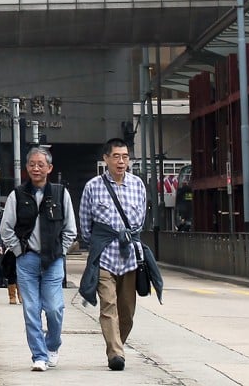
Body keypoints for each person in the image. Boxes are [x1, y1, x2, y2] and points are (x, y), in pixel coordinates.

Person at [0, 146, 77, 372]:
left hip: (53, 261)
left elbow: (70, 229)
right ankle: (39, 356)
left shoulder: (61, 194)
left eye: (40, 164)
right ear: (26, 168)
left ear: (49, 168)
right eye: (32, 164)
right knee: (31, 310)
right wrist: (18, 251)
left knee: (54, 308)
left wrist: (60, 250)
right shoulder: (17, 195)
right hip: (27, 260)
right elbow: (6, 229)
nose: (36, 168)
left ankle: (52, 345)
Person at [79, 138, 148, 372]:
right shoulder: (93, 186)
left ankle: (117, 344)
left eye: (125, 156)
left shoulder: (138, 185)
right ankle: (115, 354)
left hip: (130, 257)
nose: (121, 161)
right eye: (116, 156)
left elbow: (140, 223)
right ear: (106, 159)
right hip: (105, 256)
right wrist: (97, 245)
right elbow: (85, 225)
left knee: (127, 311)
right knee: (108, 305)